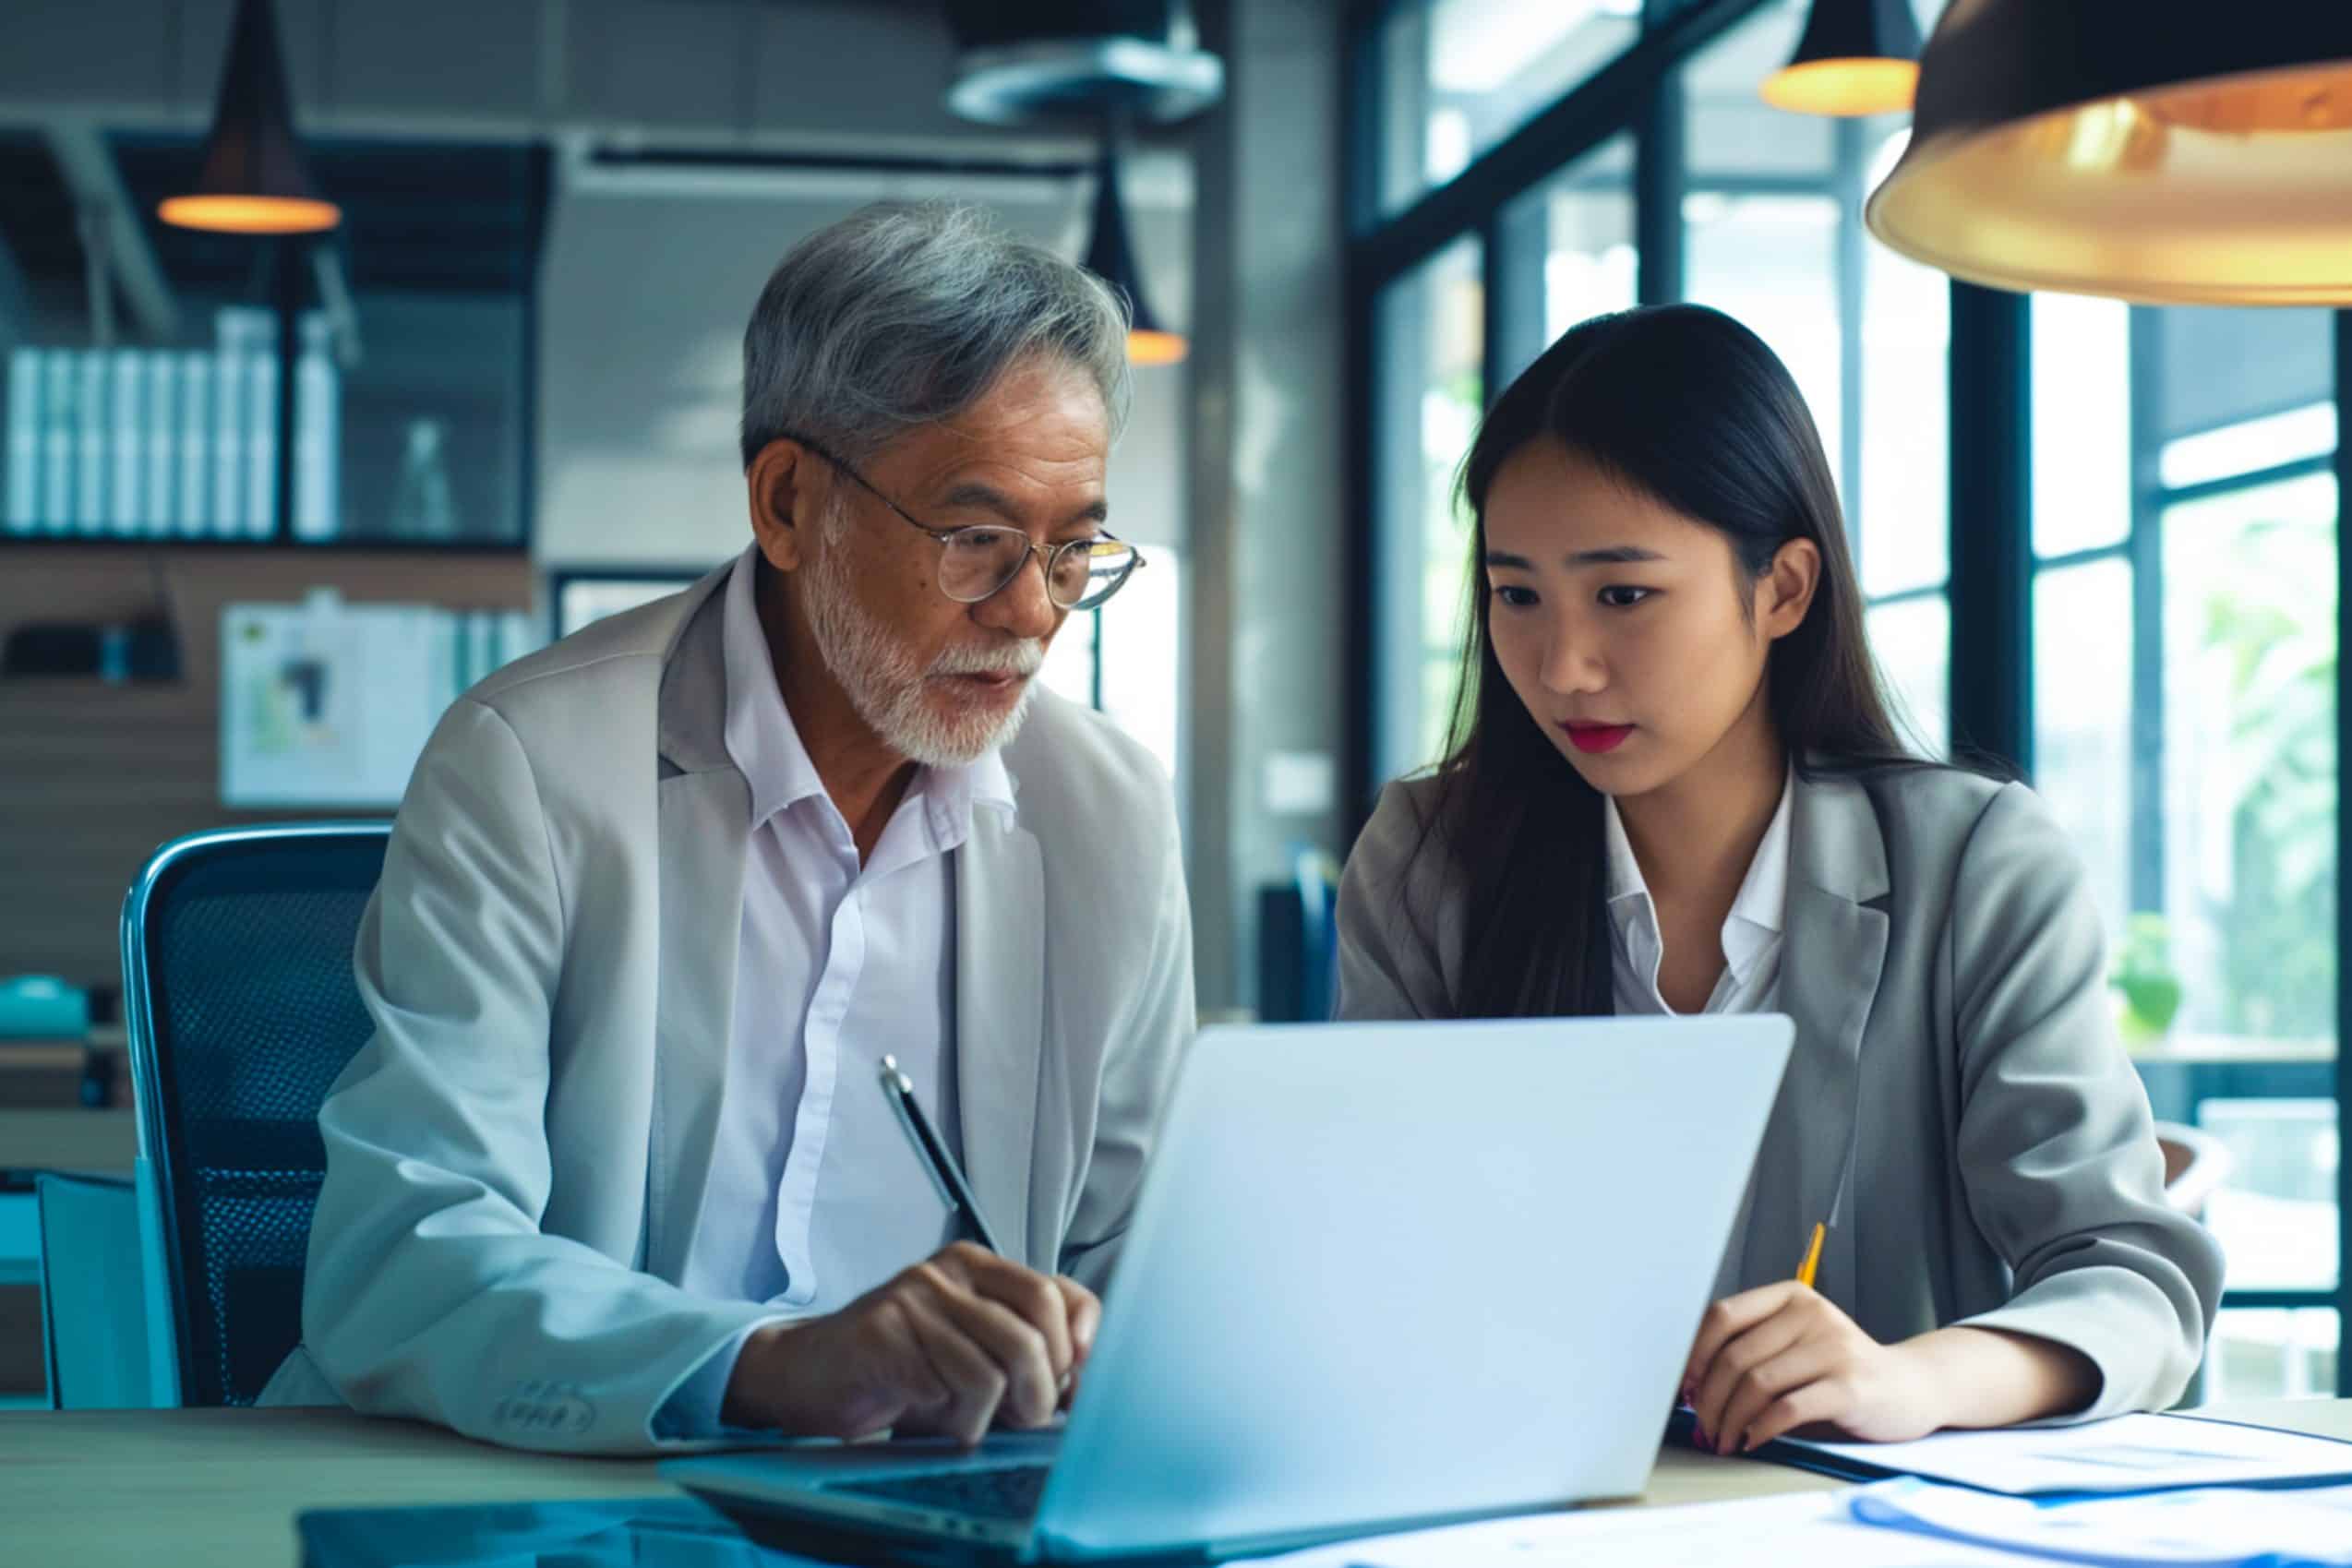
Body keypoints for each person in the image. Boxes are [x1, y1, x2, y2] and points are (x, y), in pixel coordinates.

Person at [258, 202, 1195, 1454]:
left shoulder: (1108, 816)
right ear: (789, 502)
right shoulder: (531, 763)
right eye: (974, 539)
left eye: (1073, 548)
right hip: (585, 1494)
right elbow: (407, 1250)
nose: (1032, 610)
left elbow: (1151, 1260)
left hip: (940, 1506)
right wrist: (771, 1367)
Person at [1335, 305, 2223, 1456]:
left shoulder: (1975, 863)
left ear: (1783, 590)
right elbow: (1369, 1252)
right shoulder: (1427, 857)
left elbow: (2130, 1276)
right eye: (1516, 595)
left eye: (1622, 594)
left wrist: (1907, 1378)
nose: (1562, 665)